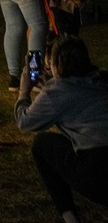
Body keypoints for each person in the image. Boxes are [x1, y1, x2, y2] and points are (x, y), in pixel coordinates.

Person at [16, 34, 108, 223]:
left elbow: (24, 121)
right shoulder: (102, 78)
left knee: (42, 144)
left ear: (56, 64)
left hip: (99, 176)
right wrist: (50, 85)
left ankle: (69, 216)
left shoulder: (58, 91)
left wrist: (24, 91)